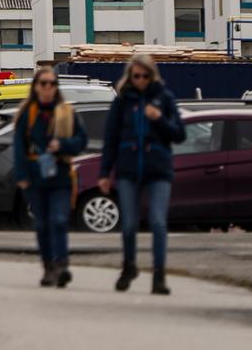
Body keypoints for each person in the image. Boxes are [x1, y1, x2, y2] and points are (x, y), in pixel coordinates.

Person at [99, 52, 184, 295]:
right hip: (128, 168)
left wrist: (159, 120)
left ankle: (159, 275)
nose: (140, 80)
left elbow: (179, 134)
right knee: (128, 224)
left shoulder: (164, 98)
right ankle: (129, 266)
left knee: (157, 222)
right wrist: (105, 172)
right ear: (130, 76)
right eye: (136, 76)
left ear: (152, 75)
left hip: (158, 168)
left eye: (145, 76)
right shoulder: (123, 101)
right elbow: (111, 138)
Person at [12, 65, 87, 287]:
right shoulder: (28, 114)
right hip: (36, 177)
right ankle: (48, 266)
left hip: (61, 174)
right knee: (43, 224)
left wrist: (62, 144)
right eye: (43, 83)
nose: (48, 88)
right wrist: (22, 174)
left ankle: (62, 263)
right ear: (36, 87)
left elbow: (81, 141)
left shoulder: (66, 112)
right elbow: (18, 147)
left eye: (52, 83)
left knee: (59, 220)